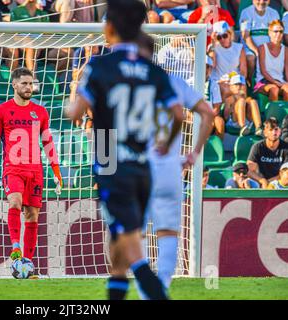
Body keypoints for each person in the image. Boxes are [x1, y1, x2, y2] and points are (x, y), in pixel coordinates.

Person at [68, 0, 184, 300]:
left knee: (134, 252)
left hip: (113, 166)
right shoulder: (153, 69)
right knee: (120, 242)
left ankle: (156, 292)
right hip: (143, 168)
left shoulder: (100, 66)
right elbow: (179, 115)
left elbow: (75, 113)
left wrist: (75, 87)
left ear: (109, 28)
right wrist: (166, 142)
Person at [138, 32, 214, 299]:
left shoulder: (127, 85)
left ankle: (146, 291)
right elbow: (208, 113)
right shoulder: (174, 82)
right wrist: (193, 153)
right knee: (167, 230)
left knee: (138, 231)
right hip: (170, 166)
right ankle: (163, 288)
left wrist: (106, 163)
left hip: (138, 167)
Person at [0, 67, 63, 271]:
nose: (29, 87)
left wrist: (55, 168)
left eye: (31, 84)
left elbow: (47, 141)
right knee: (15, 200)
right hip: (13, 168)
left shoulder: (40, 112)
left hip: (36, 170)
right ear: (14, 84)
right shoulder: (1, 110)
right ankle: (15, 247)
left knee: (32, 215)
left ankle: (27, 265)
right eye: (24, 83)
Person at [209, 21, 247, 115]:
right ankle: (225, 116)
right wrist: (213, 43)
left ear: (230, 34)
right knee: (226, 89)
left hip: (235, 80)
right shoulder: (213, 48)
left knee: (241, 89)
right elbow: (212, 64)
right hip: (220, 81)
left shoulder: (239, 47)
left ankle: (236, 118)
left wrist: (237, 82)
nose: (222, 39)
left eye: (225, 36)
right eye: (219, 37)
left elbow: (243, 71)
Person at [239, 0, 280, 83]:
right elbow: (246, 36)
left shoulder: (274, 13)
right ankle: (249, 82)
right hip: (250, 49)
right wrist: (258, 51)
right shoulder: (246, 12)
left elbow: (277, 35)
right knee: (251, 58)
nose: (261, 2)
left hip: (268, 48)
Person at [247, 117, 288, 188]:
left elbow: (285, 172)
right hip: (260, 182)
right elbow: (249, 170)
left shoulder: (286, 148)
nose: (274, 132)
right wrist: (262, 180)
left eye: (276, 129)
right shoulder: (258, 147)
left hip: (279, 182)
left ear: (280, 131)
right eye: (271, 130)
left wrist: (270, 182)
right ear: (265, 133)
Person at [254, 20, 288, 101]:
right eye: (275, 31)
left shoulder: (286, 49)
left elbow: (287, 71)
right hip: (263, 81)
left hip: (279, 80)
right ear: (269, 33)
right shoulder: (262, 48)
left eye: (281, 31)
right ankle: (273, 113)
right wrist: (276, 83)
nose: (278, 34)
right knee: (274, 89)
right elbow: (263, 71)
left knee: (287, 89)